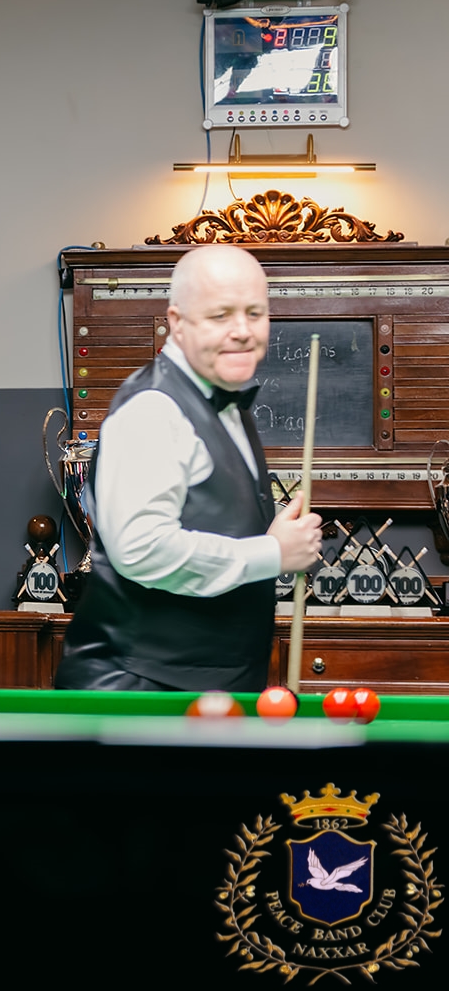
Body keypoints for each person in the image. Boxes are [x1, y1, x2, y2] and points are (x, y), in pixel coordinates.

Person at [56, 244, 324, 692]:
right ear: (177, 322)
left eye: (255, 313)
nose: (243, 331)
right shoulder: (153, 409)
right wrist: (272, 553)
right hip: (139, 694)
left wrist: (272, 538)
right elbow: (141, 549)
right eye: (220, 315)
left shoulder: (227, 400)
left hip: (202, 689)